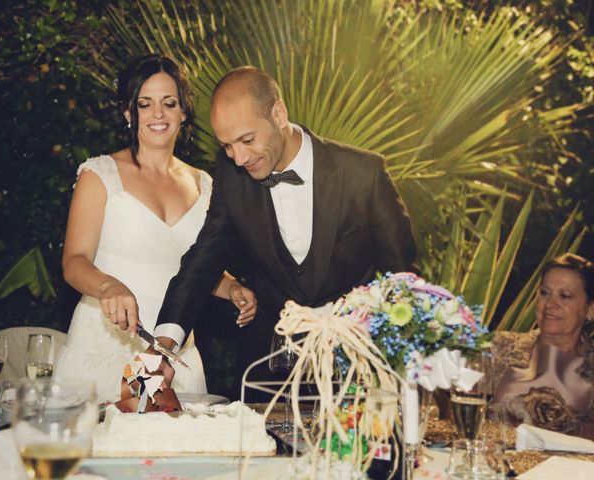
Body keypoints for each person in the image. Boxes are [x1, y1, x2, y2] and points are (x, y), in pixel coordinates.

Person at [141, 65, 418, 399]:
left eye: (247, 140)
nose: (239, 158)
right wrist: (165, 345)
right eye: (227, 146)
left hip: (353, 374)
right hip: (268, 375)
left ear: (279, 113)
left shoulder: (362, 173)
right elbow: (204, 259)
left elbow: (402, 278)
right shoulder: (231, 175)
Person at [54, 55, 256, 403]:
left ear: (183, 113)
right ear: (129, 114)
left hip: (174, 355)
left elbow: (197, 270)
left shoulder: (204, 184)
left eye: (169, 103)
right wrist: (106, 285)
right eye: (145, 104)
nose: (158, 115)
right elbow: (74, 261)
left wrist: (233, 287)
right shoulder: (100, 174)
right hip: (105, 343)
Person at [493, 253, 594, 437]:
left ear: (590, 309)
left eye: (565, 296)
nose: (550, 304)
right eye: (544, 293)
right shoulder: (499, 347)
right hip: (489, 461)